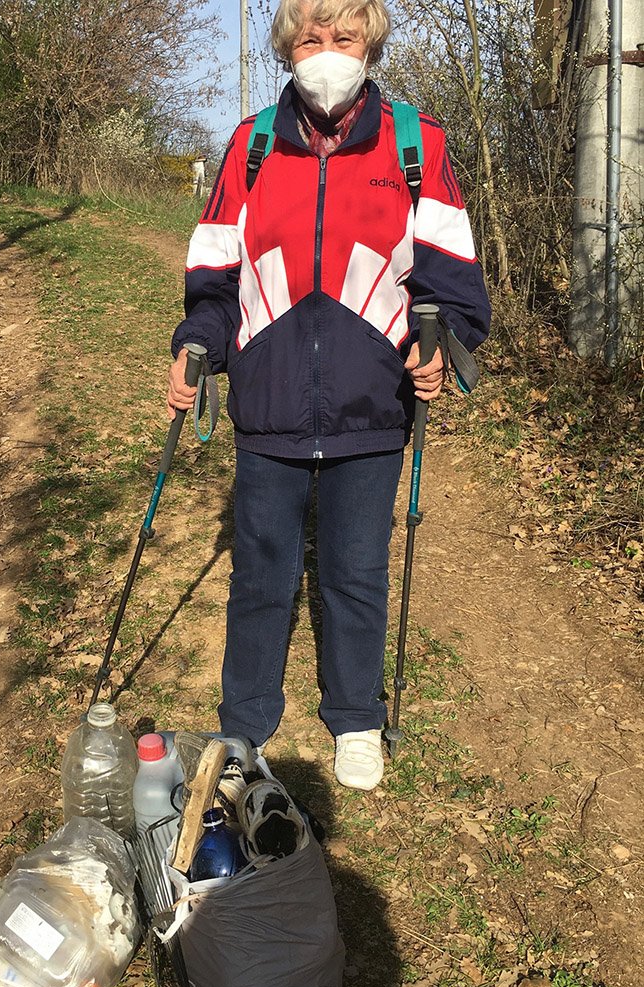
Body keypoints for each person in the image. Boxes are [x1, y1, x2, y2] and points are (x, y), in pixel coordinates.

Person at [168, 0, 489, 790]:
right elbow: (213, 279)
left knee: (355, 572)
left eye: (344, 35)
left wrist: (439, 344)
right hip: (268, 401)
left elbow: (451, 280)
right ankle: (244, 723)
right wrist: (197, 346)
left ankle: (355, 717)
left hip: (372, 405)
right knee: (261, 574)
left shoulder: (417, 144)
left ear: (370, 45)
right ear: (287, 48)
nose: (327, 50)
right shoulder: (250, 145)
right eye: (310, 36)